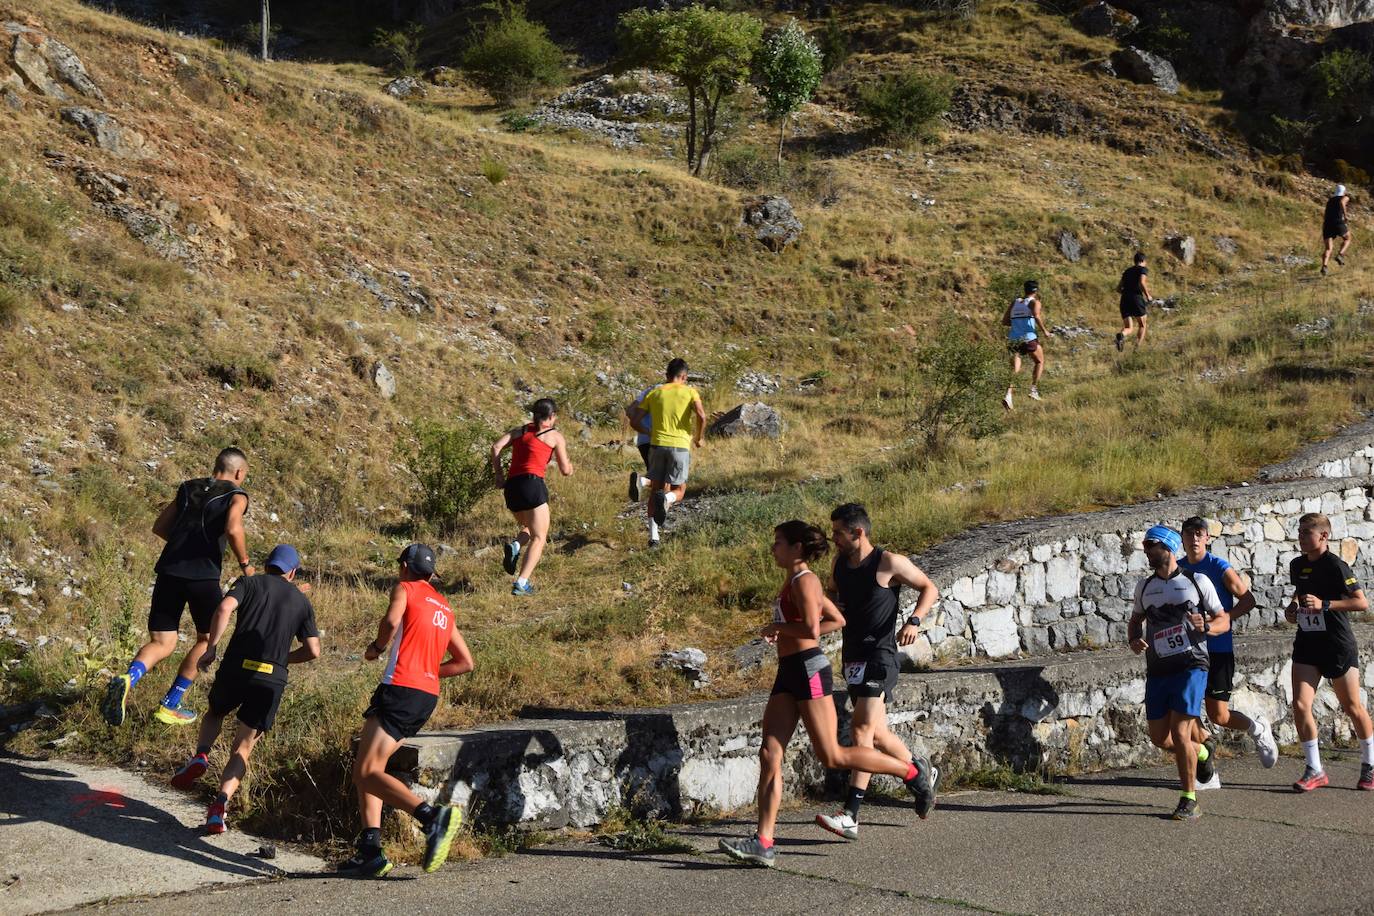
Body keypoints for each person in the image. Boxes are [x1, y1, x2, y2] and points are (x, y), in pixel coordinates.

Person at [718, 521, 936, 868]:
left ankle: (911, 773)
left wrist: (781, 628)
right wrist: (786, 632)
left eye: (778, 542)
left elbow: (811, 628)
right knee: (769, 753)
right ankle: (763, 841)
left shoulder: (806, 580)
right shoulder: (793, 581)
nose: (773, 548)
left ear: (796, 548)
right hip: (788, 671)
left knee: (833, 755)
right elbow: (837, 618)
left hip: (808, 670)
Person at [340, 544, 474, 878]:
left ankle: (432, 818)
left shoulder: (405, 588)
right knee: (370, 767)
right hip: (425, 696)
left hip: (400, 689)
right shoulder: (444, 606)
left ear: (403, 567)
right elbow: (464, 663)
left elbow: (390, 620)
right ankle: (370, 850)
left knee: (366, 772)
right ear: (431, 574)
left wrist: (376, 648)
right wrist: (429, 669)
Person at [168, 545, 320, 835]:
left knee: (215, 712)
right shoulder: (302, 602)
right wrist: (282, 659)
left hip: (237, 668)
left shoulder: (249, 583)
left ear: (268, 565)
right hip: (272, 677)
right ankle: (219, 807)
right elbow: (313, 650)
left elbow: (225, 607)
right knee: (244, 746)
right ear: (292, 571)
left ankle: (201, 755)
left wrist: (211, 648)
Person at [815, 503, 940, 842]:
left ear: (859, 532)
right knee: (879, 734)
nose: (834, 539)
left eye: (839, 533)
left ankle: (850, 815)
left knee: (862, 729)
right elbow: (834, 596)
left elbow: (929, 587)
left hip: (881, 656)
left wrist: (915, 620)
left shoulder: (888, 562)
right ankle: (918, 773)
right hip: (852, 656)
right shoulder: (839, 564)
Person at [102, 447, 252, 727]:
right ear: (239, 472)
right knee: (207, 640)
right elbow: (233, 528)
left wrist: (184, 542)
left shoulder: (187, 487)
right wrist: (245, 564)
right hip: (202, 576)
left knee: (162, 642)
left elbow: (159, 526)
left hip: (169, 572)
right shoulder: (236, 495)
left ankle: (128, 677)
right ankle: (171, 704)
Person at [1127, 525, 1226, 821]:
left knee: (1181, 732)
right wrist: (1134, 639)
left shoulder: (1197, 581)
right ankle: (1204, 752)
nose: (1146, 551)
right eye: (1145, 546)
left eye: (1150, 546)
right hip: (1159, 669)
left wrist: (1206, 627)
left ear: (1167, 548)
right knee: (1160, 738)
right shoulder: (1144, 587)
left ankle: (1189, 799)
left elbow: (1223, 620)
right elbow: (1135, 621)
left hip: (1191, 666)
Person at [1178, 517, 1278, 775]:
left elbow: (1248, 600)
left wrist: (1223, 619)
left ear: (1207, 538)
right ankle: (1205, 762)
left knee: (1218, 715)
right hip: (1189, 650)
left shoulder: (1219, 567)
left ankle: (1258, 729)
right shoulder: (1177, 569)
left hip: (1218, 648)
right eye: (1189, 534)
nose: (1195, 539)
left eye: (1199, 534)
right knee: (1184, 708)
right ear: (1182, 538)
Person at [1284, 512, 1374, 792]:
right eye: (1298, 532)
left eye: (1305, 533)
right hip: (1308, 643)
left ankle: (1370, 764)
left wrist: (1325, 604)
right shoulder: (1297, 564)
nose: (1300, 537)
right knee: (1300, 705)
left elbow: (1361, 603)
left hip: (1336, 644)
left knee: (1352, 707)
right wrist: (1292, 609)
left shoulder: (1336, 566)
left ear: (1323, 536)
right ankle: (1315, 769)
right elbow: (1299, 594)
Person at [491, 398, 573, 597]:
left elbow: (495, 447)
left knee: (529, 527)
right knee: (539, 537)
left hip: (512, 488)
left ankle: (516, 545)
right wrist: (570, 467)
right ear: (552, 416)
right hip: (532, 485)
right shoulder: (554, 436)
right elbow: (564, 470)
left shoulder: (520, 431)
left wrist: (499, 475)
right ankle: (521, 582)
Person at [639, 358, 706, 548]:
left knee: (656, 490)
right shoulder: (690, 391)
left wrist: (648, 432)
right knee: (679, 490)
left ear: (667, 376)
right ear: (684, 376)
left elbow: (634, 418)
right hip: (679, 447)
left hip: (657, 446)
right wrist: (699, 437)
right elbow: (701, 415)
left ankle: (654, 538)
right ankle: (667, 499)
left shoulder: (655, 392)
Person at [1002, 280, 1048, 411]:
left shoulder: (1015, 302)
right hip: (1028, 338)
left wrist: (1018, 324)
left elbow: (1005, 321)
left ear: (1025, 289)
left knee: (1015, 368)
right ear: (1036, 291)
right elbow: (1037, 316)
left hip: (1013, 339)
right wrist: (1045, 331)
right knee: (1039, 361)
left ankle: (1008, 395)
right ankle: (1033, 390)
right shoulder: (1035, 302)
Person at [1115, 252, 1153, 352]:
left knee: (1128, 327)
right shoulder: (1142, 269)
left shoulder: (1127, 271)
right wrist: (1148, 295)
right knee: (1142, 325)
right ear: (1143, 261)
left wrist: (1127, 292)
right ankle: (1136, 349)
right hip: (1136, 298)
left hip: (1124, 299)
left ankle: (1121, 335)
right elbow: (1142, 282)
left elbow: (1118, 289)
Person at [625, 384, 655, 503]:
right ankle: (642, 482)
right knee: (666, 480)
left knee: (655, 475)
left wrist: (643, 425)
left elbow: (630, 411)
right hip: (661, 439)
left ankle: (642, 482)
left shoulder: (648, 391)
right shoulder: (669, 391)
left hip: (643, 441)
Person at [1320, 184, 1351, 277]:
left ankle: (1324, 266)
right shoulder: (1345, 197)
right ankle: (1340, 255)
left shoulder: (1330, 200)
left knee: (1328, 248)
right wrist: (1345, 216)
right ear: (1343, 191)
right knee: (1347, 238)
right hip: (1338, 222)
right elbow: (1342, 202)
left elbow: (1325, 214)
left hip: (1327, 224)